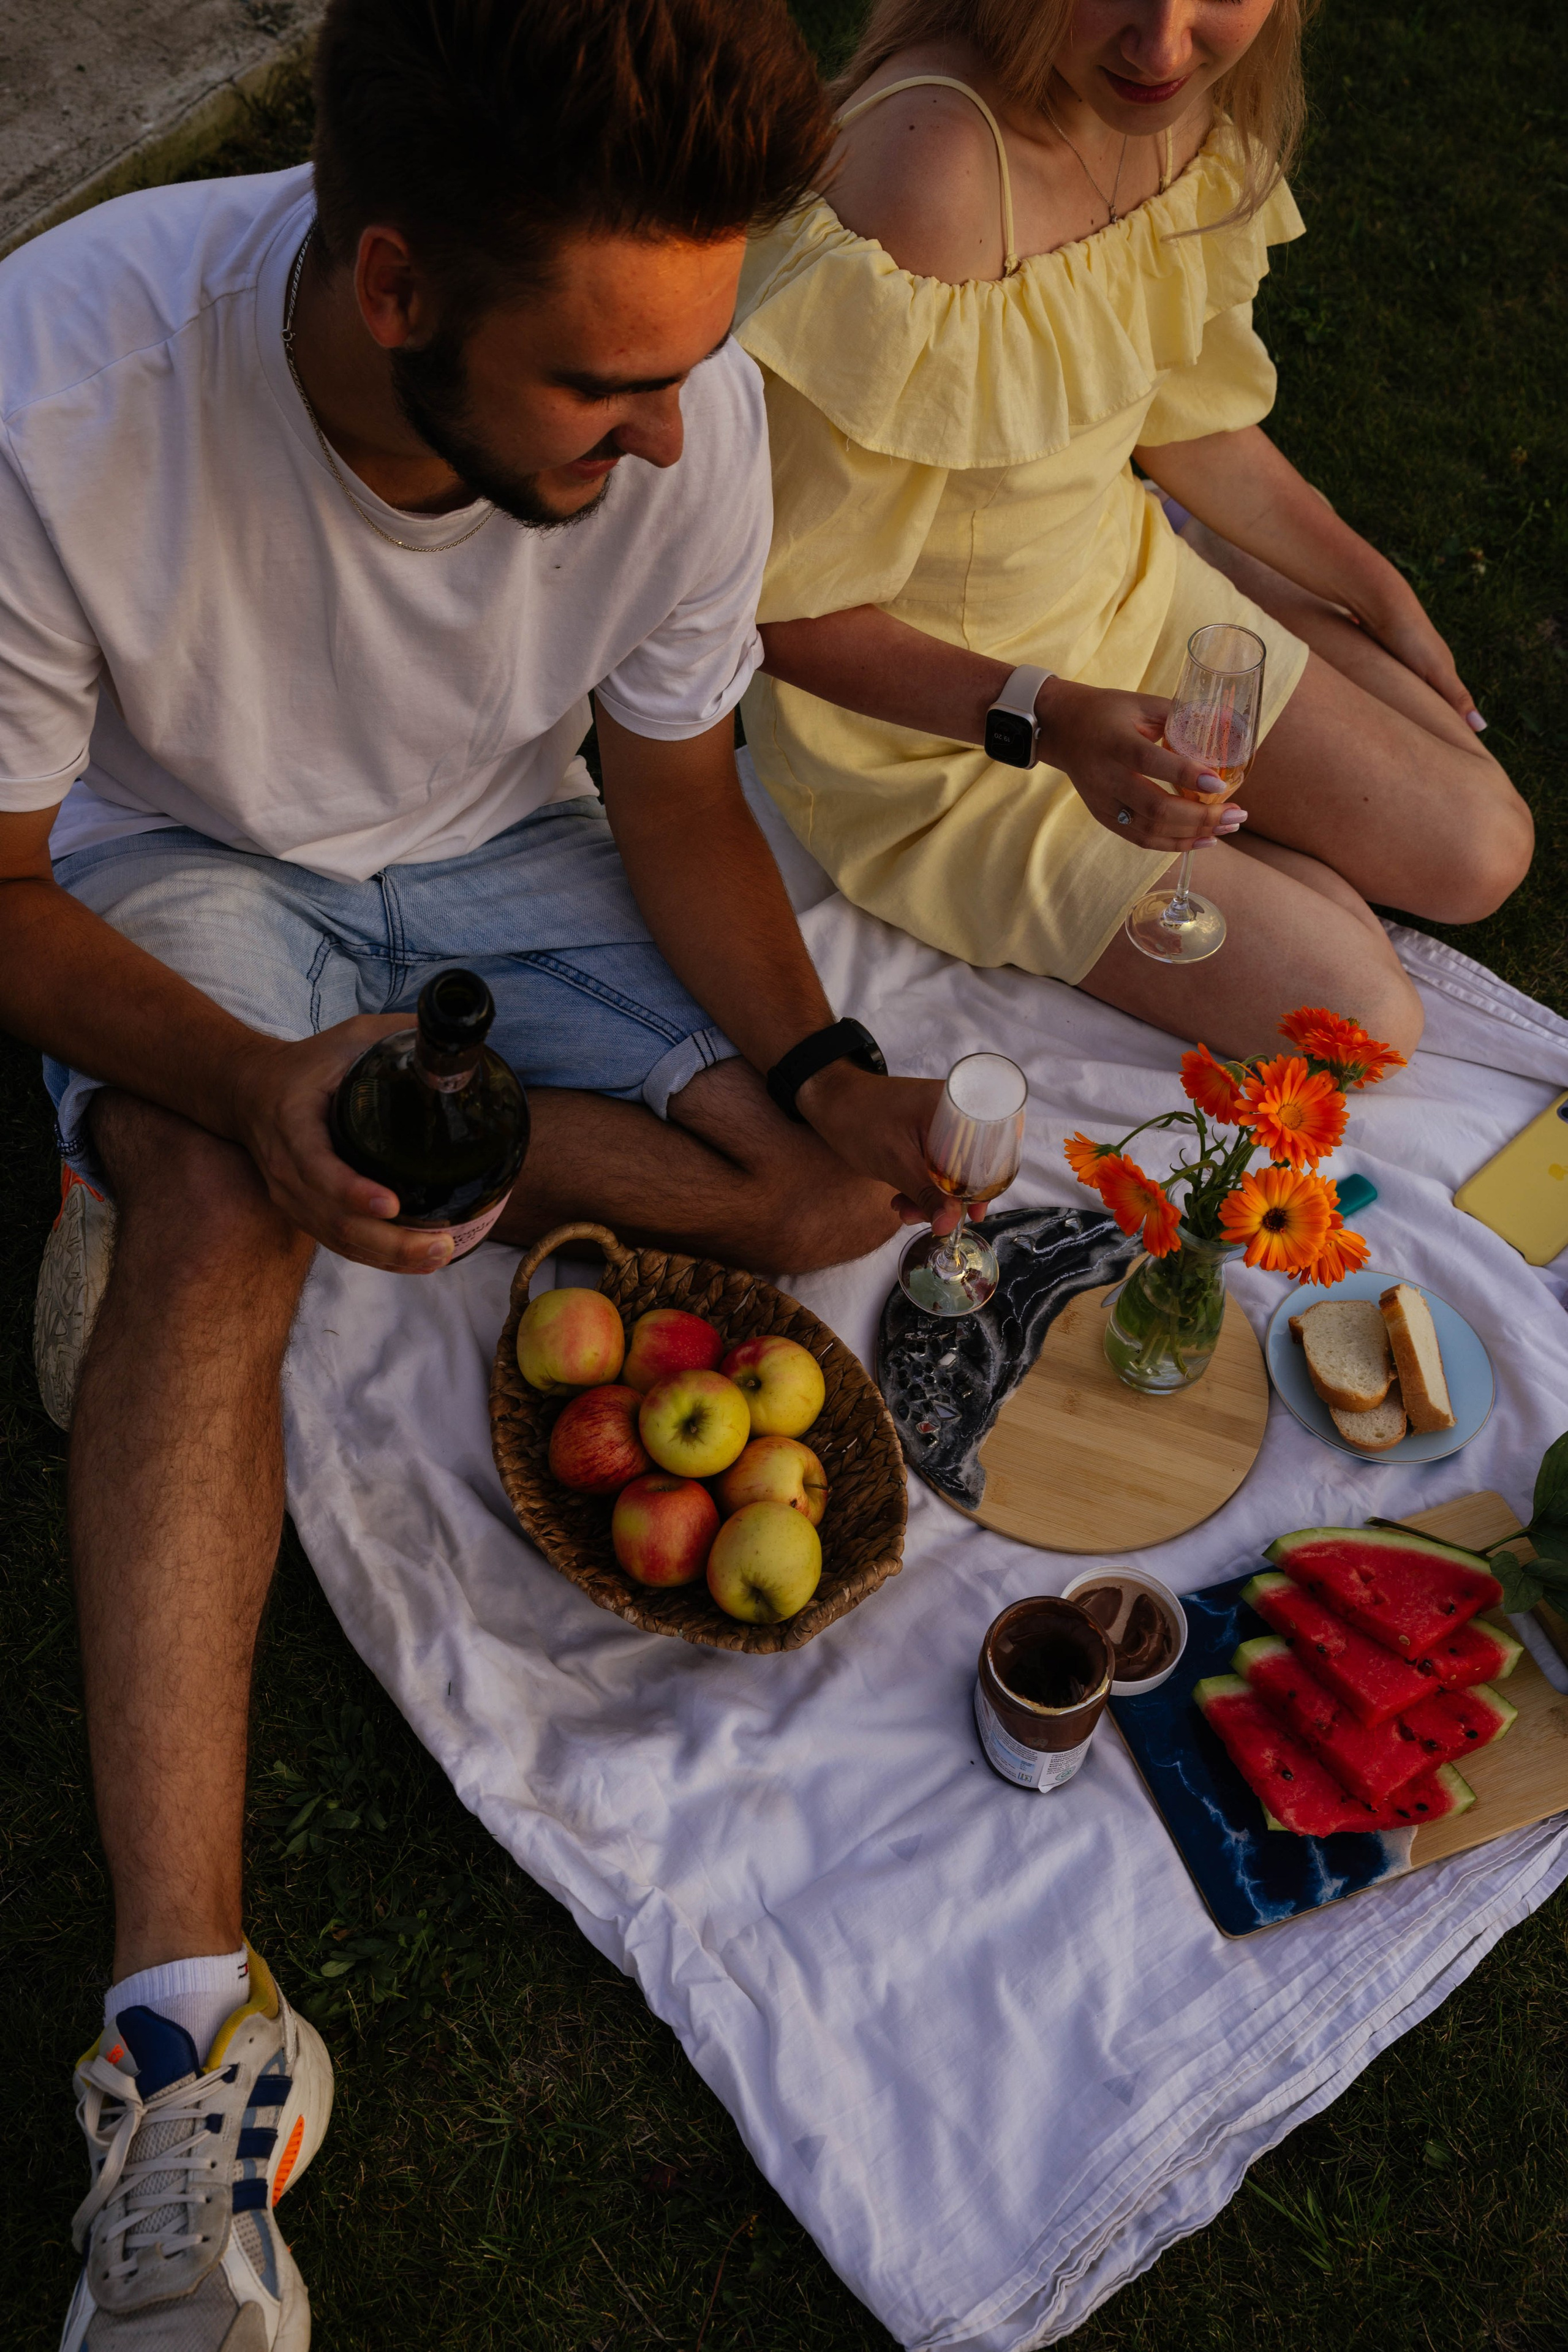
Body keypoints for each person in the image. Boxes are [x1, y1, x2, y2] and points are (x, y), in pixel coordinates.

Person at [0, 4, 958, 2343]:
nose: (671, 440)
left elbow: (680, 793)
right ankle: (181, 2026)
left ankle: (379, 1156)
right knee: (230, 1184)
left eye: (685, 373)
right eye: (603, 390)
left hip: (508, 854)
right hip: (182, 860)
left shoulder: (686, 398)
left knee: (817, 1204)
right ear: (401, 286)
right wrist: (242, 1078)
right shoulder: (61, 385)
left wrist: (825, 1068)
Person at [736, 0, 1534, 1060]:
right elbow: (778, 607)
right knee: (1360, 1022)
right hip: (946, 740)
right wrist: (1051, 718)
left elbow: (1189, 426)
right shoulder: (932, 180)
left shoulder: (1176, 105)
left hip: (1129, 602)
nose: (1163, 46)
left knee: (1485, 852)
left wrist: (1377, 588)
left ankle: (1249, 755)